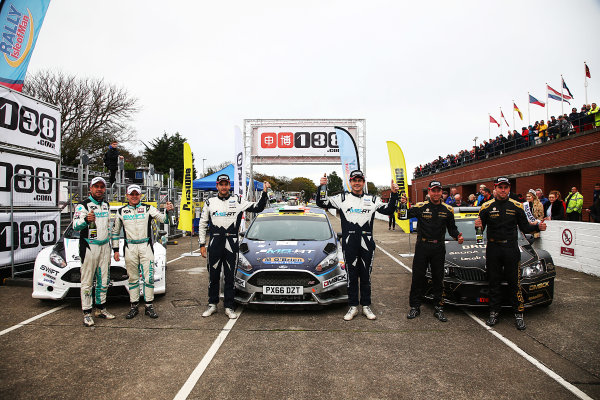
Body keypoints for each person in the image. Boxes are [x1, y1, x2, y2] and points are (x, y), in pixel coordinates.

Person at [316, 170, 398, 321]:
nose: (357, 183)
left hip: (367, 242)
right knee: (351, 276)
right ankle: (353, 306)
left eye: (360, 180)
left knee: (365, 276)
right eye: (354, 180)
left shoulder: (373, 199)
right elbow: (321, 202)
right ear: (350, 182)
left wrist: (394, 194)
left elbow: (389, 210)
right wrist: (322, 187)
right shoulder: (342, 198)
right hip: (350, 242)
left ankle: (366, 305)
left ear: (363, 182)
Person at [475, 177, 546, 331]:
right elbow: (479, 234)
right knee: (494, 282)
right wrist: (478, 228)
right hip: (493, 248)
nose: (503, 190)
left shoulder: (517, 206)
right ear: (494, 188)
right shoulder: (486, 206)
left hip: (511, 248)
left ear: (509, 189)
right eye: (500, 187)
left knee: (515, 282)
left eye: (506, 187)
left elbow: (525, 227)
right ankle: (494, 312)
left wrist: (539, 227)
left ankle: (518, 313)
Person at [199, 174, 270, 319]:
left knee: (230, 277)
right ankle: (212, 304)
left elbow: (258, 207)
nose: (224, 187)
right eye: (221, 184)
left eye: (226, 184)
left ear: (229, 186)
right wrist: (201, 244)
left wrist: (264, 192)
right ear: (217, 186)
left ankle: (229, 306)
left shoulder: (237, 200)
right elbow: (202, 224)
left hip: (232, 242)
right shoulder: (209, 202)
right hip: (215, 242)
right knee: (214, 276)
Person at [402, 180, 463, 322]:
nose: (436, 193)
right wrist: (403, 203)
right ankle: (415, 307)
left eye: (438, 190)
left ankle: (439, 307)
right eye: (433, 190)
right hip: (422, 247)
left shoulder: (448, 209)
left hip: (438, 248)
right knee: (418, 277)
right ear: (429, 192)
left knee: (438, 278)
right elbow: (402, 215)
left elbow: (452, 228)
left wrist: (457, 236)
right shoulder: (420, 207)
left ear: (442, 192)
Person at [112, 184, 174, 319]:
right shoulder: (121, 211)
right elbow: (115, 232)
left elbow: (163, 220)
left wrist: (168, 211)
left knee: (148, 277)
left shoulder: (147, 208)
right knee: (133, 278)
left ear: (140, 195)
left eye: (136, 194)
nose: (134, 196)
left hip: (145, 246)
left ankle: (149, 306)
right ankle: (133, 306)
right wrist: (115, 250)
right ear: (127, 195)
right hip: (130, 247)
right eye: (132, 194)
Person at [73, 177, 115, 327]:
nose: (99, 189)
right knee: (87, 281)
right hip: (89, 246)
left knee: (104, 280)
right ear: (90, 188)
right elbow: (75, 226)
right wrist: (85, 219)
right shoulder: (82, 206)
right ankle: (87, 312)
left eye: (101, 187)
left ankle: (101, 308)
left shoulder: (106, 205)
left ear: (105, 189)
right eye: (96, 186)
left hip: (105, 246)